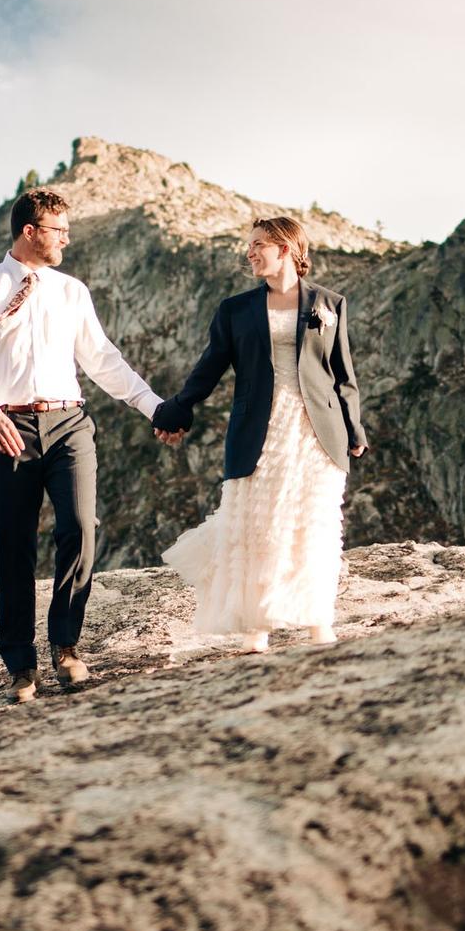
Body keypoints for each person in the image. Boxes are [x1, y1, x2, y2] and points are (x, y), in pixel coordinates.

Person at [0, 188, 165, 703]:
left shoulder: (72, 292)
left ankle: (66, 645)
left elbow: (103, 359)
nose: (67, 237)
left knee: (81, 528)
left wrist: (153, 406)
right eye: (59, 229)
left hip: (70, 423)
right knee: (15, 546)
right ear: (30, 231)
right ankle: (21, 667)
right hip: (9, 429)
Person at [153, 215, 367, 651]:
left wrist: (354, 427)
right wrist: (176, 410)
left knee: (314, 523)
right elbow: (209, 367)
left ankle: (317, 618)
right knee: (260, 525)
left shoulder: (330, 303)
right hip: (259, 430)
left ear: (285, 249)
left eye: (258, 245)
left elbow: (343, 375)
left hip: (316, 432)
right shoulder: (236, 310)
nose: (250, 253)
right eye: (249, 246)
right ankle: (256, 624)